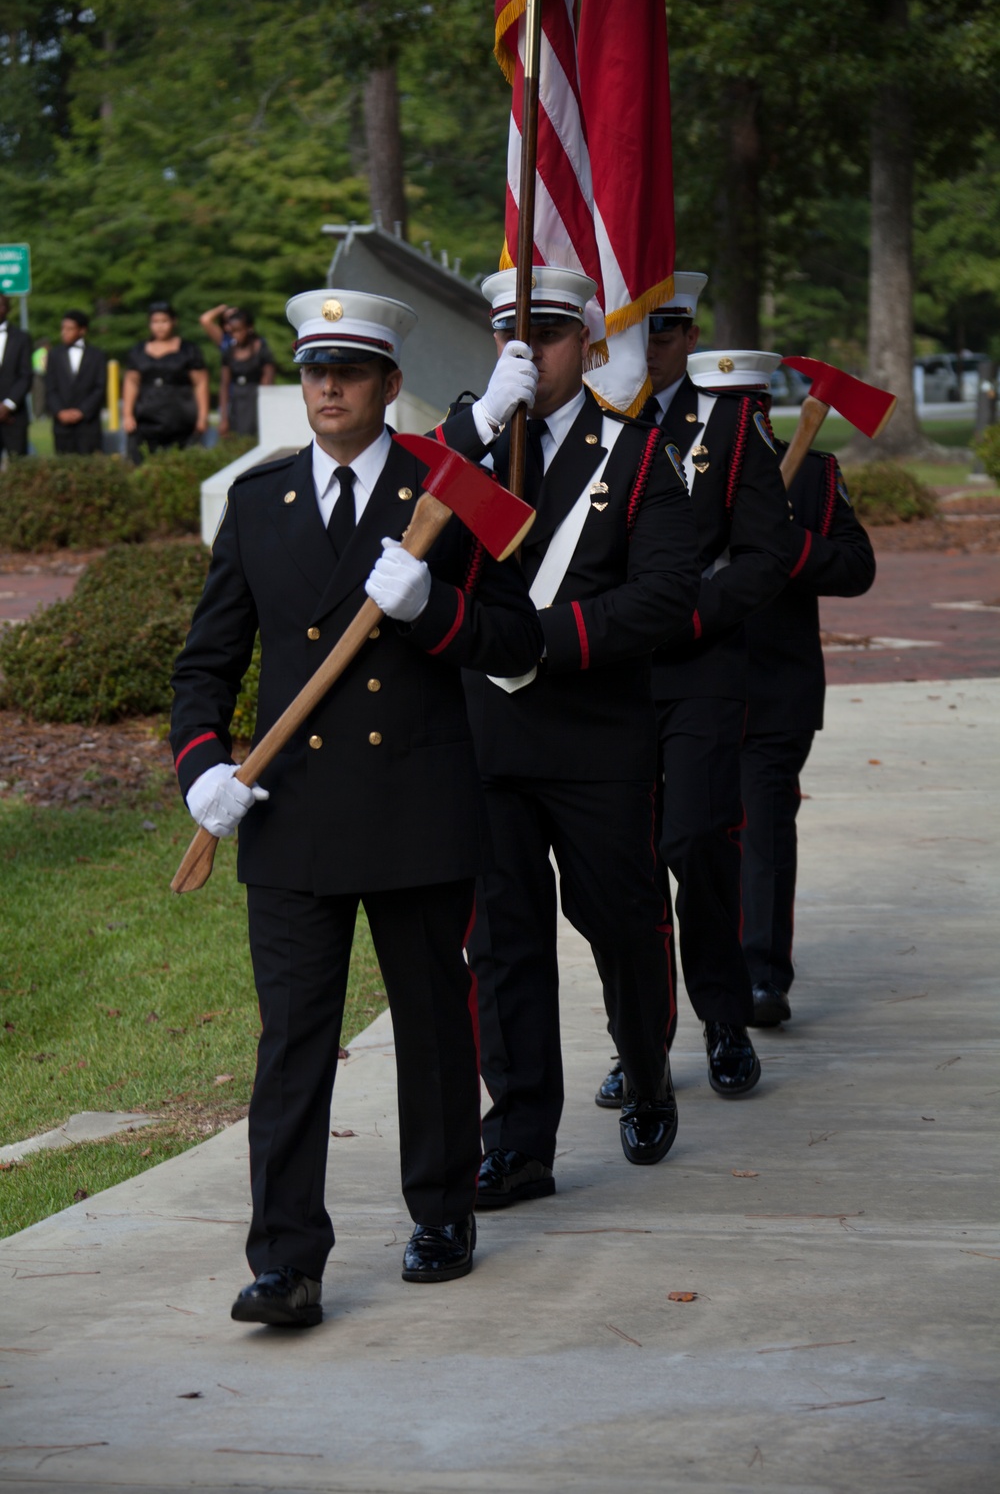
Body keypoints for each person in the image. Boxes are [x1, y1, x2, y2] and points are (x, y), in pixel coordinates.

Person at [170, 288, 543, 1326]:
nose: (327, 386)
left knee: (431, 1027)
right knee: (291, 1040)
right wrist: (202, 764)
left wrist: (434, 611)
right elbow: (205, 666)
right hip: (293, 817)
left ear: (389, 385)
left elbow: (515, 645)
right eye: (312, 369)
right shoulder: (260, 500)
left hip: (416, 804)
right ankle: (286, 1261)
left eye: (349, 370)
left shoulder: (448, 493)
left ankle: (441, 1213)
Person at [437, 266, 701, 1205]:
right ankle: (518, 1141)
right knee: (501, 947)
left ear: (587, 343)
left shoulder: (634, 454)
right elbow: (403, 525)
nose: (529, 349)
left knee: (622, 923)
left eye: (547, 332)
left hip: (595, 741)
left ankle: (645, 1064)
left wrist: (529, 640)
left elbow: (664, 599)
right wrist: (470, 432)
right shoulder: (462, 449)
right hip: (487, 741)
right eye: (511, 330)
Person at [595, 281, 793, 1108]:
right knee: (623, 871)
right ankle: (640, 1041)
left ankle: (723, 1018)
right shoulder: (592, 426)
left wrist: (688, 612)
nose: (658, 345)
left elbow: (764, 554)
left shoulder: (727, 426)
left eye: (670, 329)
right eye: (641, 329)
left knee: (696, 841)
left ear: (691, 334)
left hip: (699, 667)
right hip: (609, 674)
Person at [738, 391, 876, 1026]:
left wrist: (787, 545)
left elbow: (855, 566)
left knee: (763, 831)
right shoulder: (665, 464)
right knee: (682, 841)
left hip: (774, 689)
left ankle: (762, 977)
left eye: (750, 410)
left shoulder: (813, 474)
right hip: (678, 687)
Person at [123, 301, 209, 461]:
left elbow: (200, 383)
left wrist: (203, 416)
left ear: (173, 322)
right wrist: (127, 414)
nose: (160, 326)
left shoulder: (188, 350)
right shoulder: (138, 351)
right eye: (155, 322)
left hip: (181, 421)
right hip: (146, 421)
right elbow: (131, 382)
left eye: (164, 321)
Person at [45, 311, 107, 456]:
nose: (64, 332)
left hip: (88, 424)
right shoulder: (54, 355)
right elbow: (50, 387)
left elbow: (100, 387)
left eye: (69, 329)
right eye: (62, 328)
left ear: (82, 330)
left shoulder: (97, 355)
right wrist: (60, 411)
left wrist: (82, 411)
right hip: (62, 425)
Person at [219, 310, 275, 438]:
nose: (235, 335)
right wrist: (223, 418)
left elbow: (268, 380)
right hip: (237, 401)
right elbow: (224, 385)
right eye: (232, 332)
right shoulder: (229, 352)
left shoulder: (261, 350)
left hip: (255, 399)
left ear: (249, 328)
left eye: (239, 330)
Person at [0, 293, 33, 461]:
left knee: (18, 468)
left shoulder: (22, 338)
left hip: (14, 416)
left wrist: (8, 405)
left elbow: (26, 375)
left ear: (7, 309)